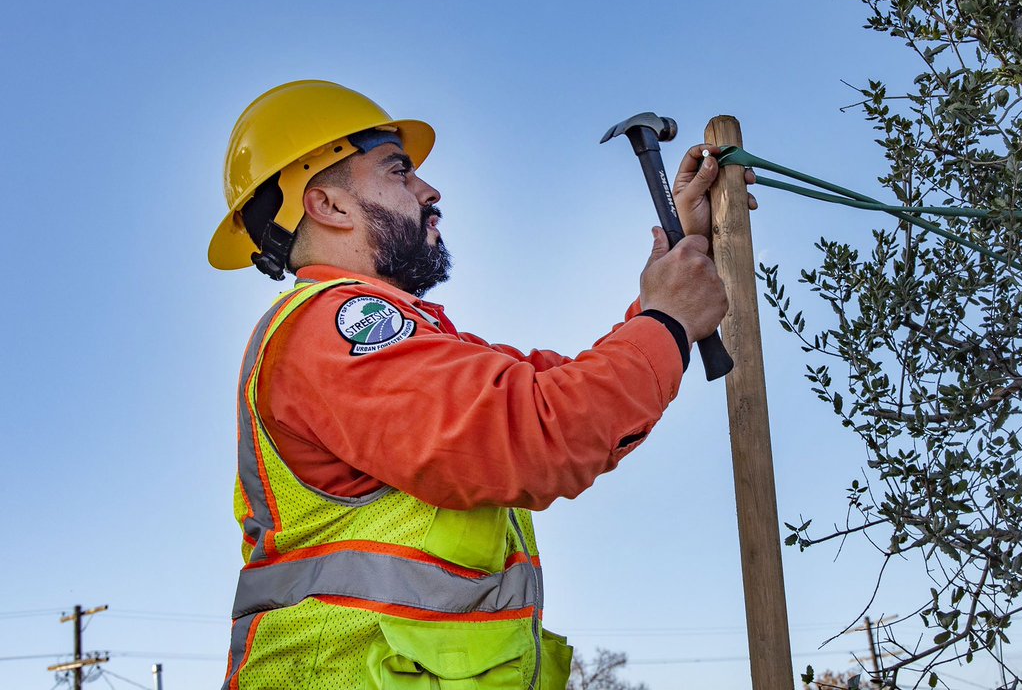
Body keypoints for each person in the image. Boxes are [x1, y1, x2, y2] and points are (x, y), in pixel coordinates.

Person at [208, 80, 751, 690]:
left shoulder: (400, 342)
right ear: (329, 206)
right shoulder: (331, 329)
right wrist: (669, 321)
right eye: (398, 170)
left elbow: (563, 389)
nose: (429, 190)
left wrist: (671, 279)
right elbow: (538, 429)